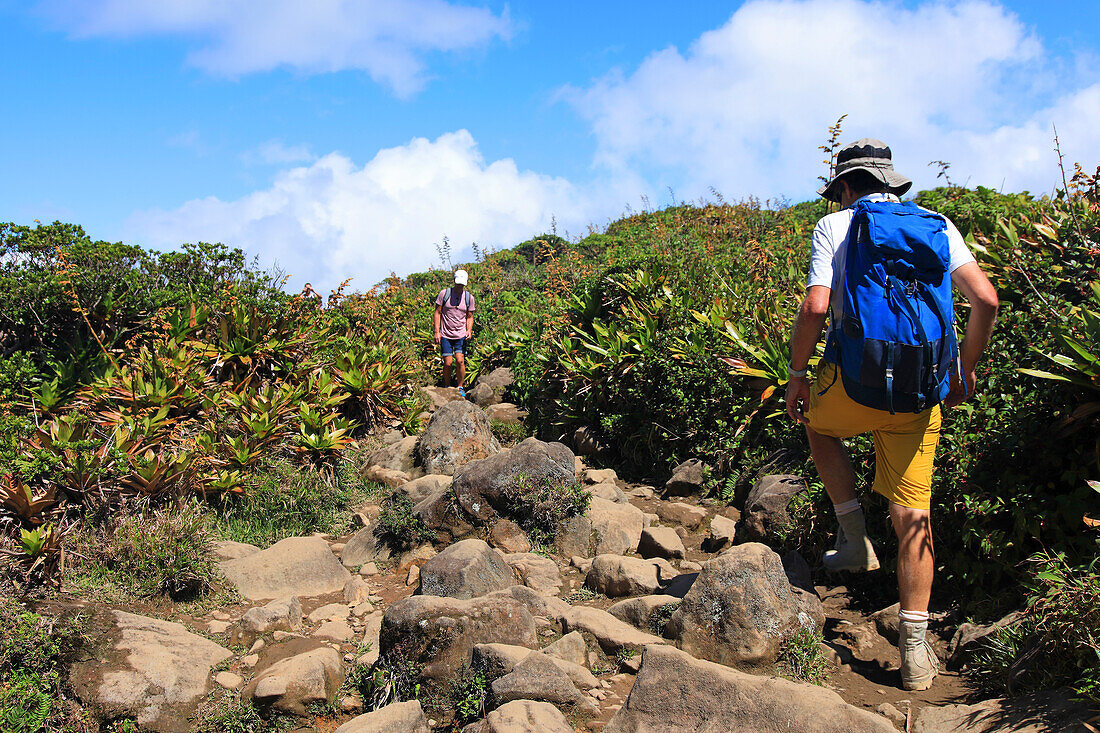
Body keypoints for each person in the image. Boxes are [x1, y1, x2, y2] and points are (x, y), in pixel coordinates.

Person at [784, 139, 999, 691]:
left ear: (847, 187)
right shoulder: (937, 223)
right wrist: (964, 370)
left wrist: (798, 374)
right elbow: (986, 300)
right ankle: (916, 653)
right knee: (914, 515)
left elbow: (815, 307)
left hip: (853, 384)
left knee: (817, 424)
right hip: (921, 389)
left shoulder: (836, 226)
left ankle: (853, 535)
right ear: (893, 183)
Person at [434, 269, 476, 396]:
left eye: (461, 284)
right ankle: (447, 386)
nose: (459, 286)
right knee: (448, 362)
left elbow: (469, 316)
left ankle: (460, 387)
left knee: (460, 360)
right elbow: (437, 312)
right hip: (446, 334)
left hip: (461, 334)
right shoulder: (444, 294)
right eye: (458, 283)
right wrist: (437, 331)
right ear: (454, 281)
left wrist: (469, 330)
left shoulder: (469, 298)